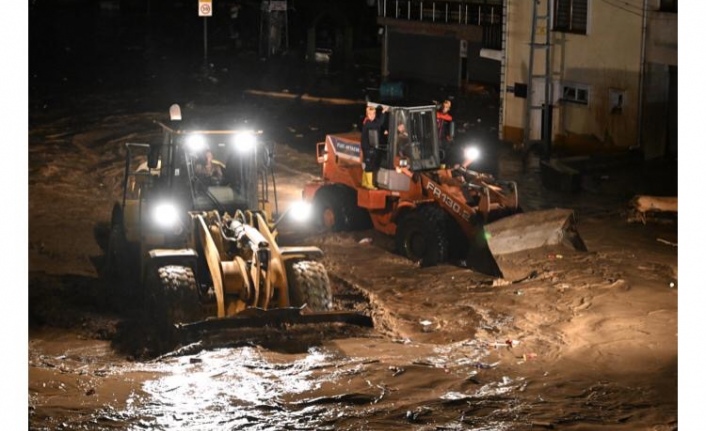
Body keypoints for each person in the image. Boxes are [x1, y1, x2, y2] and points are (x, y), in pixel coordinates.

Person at [360, 104, 388, 190]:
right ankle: (369, 184)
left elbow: (378, 125)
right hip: (368, 148)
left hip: (371, 147)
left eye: (374, 114)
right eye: (370, 114)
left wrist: (384, 131)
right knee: (369, 166)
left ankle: (364, 182)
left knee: (369, 165)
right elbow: (379, 124)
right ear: (367, 115)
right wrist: (383, 112)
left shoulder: (373, 122)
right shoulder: (368, 123)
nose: (372, 116)